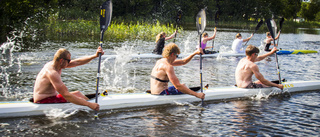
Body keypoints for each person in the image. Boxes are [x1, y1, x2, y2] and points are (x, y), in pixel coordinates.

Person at [33, 47, 104, 111]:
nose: (70, 62)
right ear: (61, 61)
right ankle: (93, 106)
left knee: (77, 93)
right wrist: (89, 105)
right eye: (69, 60)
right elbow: (66, 95)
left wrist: (95, 56)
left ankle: (90, 103)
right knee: (76, 96)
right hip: (43, 101)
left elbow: (77, 62)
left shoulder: (56, 64)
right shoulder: (52, 73)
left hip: (50, 97)